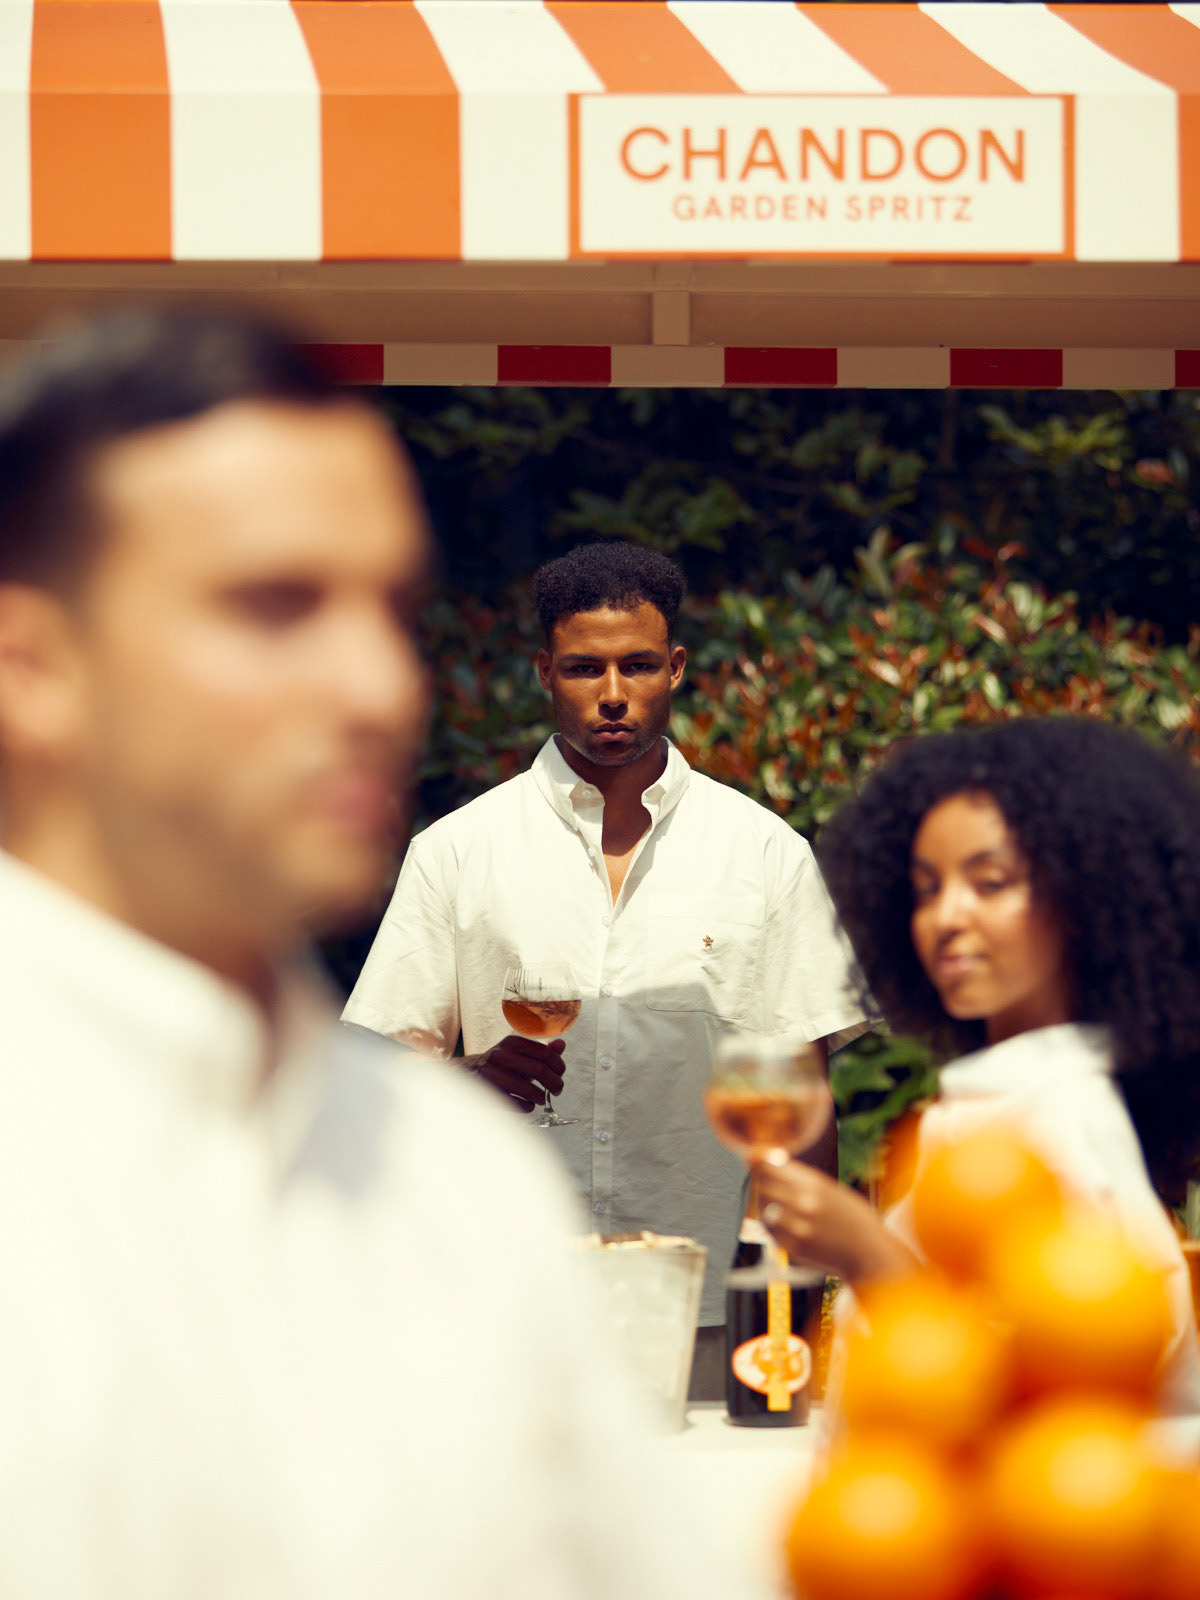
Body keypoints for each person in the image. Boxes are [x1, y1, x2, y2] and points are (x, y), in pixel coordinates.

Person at [0, 308, 758, 1600]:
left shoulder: (462, 1182)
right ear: (32, 665)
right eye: (273, 606)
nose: (381, 685)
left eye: (393, 610)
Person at [342, 539, 872, 1385]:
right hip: (505, 1304)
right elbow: (378, 1077)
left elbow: (801, 1110)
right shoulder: (459, 851)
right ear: (545, 673)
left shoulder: (764, 854)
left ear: (677, 668)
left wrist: (793, 1325)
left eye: (639, 665)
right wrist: (470, 1076)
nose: (614, 693)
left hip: (711, 1307)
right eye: (586, 668)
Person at [751, 715, 1200, 1426]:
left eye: (990, 883)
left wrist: (868, 1253)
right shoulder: (1003, 1097)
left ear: (1085, 901)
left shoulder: (1064, 1116)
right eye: (926, 889)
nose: (946, 917)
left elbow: (1083, 1377)